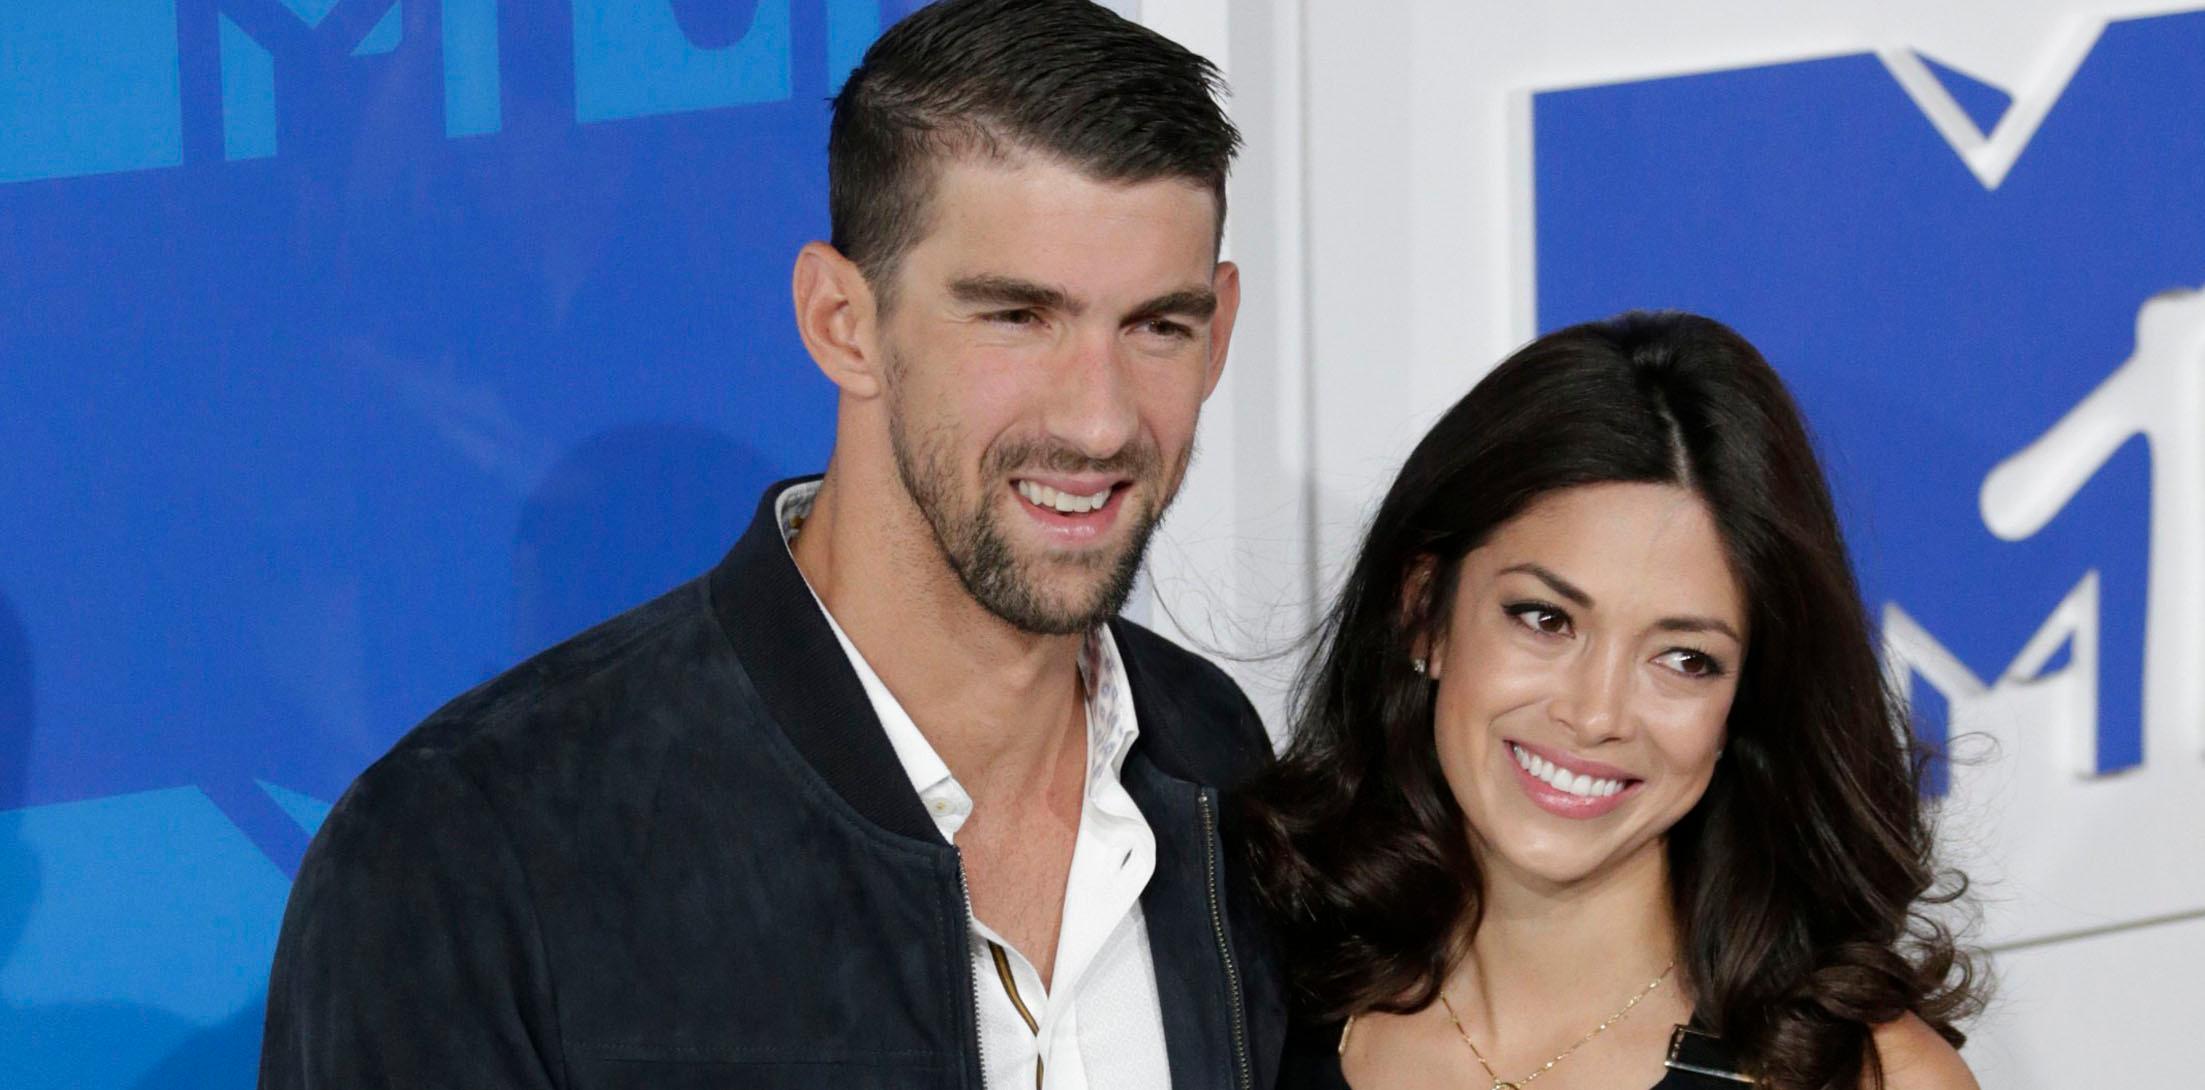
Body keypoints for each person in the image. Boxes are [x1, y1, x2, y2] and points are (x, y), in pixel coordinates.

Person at [259, 2, 1285, 1087]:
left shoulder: (1213, 761)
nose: (1100, 420)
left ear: (1217, 330)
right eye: (1016, 318)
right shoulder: (464, 856)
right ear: (842, 321)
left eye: (1157, 327)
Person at [1244, 312, 1983, 1090]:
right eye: (1545, 619)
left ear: (1744, 699)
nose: (1596, 714)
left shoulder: (1869, 1079)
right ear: (1425, 611)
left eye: (1684, 659)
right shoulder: (1245, 1002)